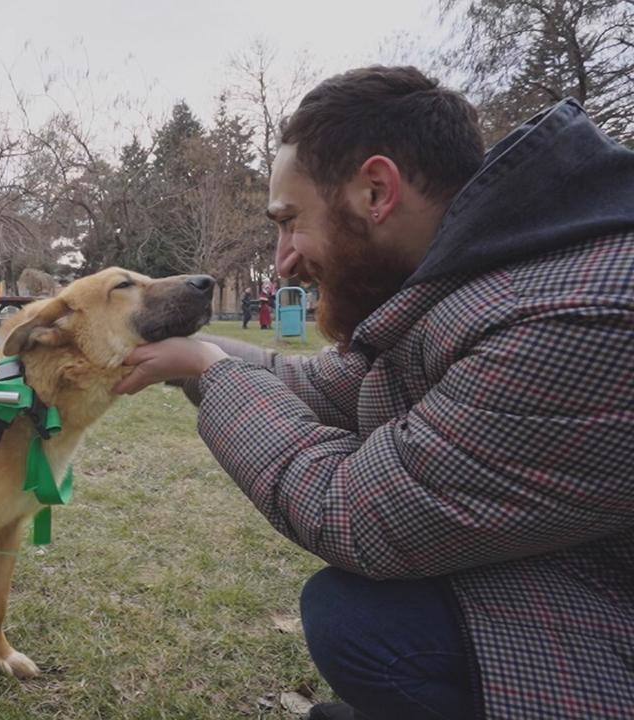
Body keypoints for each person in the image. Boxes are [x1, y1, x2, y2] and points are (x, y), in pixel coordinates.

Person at [114, 66, 634, 719]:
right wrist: (191, 362)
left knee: (360, 619)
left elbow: (361, 514)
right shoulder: (494, 272)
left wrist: (213, 371)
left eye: (289, 221)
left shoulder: (577, 313)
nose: (281, 261)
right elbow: (329, 386)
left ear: (376, 191)